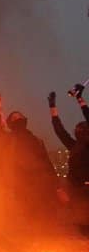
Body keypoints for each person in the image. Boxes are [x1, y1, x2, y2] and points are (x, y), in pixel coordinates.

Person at [2, 110, 57, 222]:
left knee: (46, 219)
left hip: (41, 185)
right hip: (21, 187)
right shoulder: (7, 141)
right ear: (10, 123)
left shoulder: (37, 140)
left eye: (20, 117)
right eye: (15, 118)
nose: (18, 119)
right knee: (27, 219)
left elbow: (47, 163)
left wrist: (57, 186)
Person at [48, 89, 89, 230]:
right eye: (78, 129)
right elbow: (59, 130)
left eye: (83, 129)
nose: (79, 131)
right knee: (81, 227)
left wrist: (80, 100)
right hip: (77, 192)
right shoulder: (74, 146)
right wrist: (52, 107)